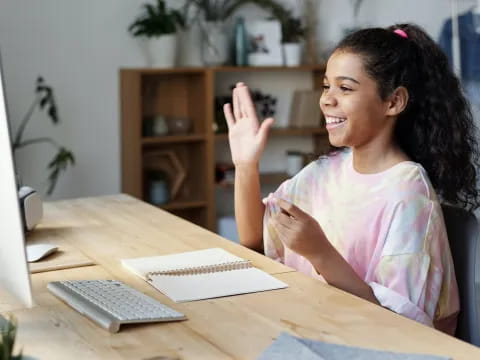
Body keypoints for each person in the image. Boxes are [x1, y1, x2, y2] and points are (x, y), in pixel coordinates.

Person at [223, 23, 480, 335]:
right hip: (314, 329)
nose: (327, 100)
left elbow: (399, 329)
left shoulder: (409, 194)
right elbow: (255, 241)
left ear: (394, 102)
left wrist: (320, 253)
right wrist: (246, 165)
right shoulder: (323, 172)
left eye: (345, 88)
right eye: (326, 85)